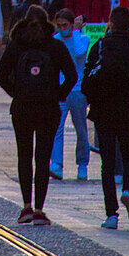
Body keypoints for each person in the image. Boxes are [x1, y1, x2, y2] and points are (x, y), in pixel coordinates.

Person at [0, 5, 77, 226]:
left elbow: (0, 75)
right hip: (48, 108)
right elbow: (71, 76)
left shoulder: (16, 45)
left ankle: (26, 207)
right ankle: (40, 209)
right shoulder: (55, 46)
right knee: (43, 158)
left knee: (24, 156)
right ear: (47, 23)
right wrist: (57, 95)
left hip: (22, 108)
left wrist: (17, 93)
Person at [81, 5, 129, 229]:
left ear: (110, 22)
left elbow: (87, 80)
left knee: (107, 164)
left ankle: (111, 215)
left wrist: (94, 100)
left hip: (104, 112)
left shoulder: (100, 46)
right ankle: (128, 189)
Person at [49, 10, 90, 181]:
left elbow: (78, 53)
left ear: (72, 25)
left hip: (77, 90)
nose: (62, 28)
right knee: (56, 129)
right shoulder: (55, 40)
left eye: (65, 25)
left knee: (81, 129)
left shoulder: (82, 38)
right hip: (59, 89)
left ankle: (82, 164)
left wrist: (74, 33)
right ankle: (56, 164)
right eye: (59, 25)